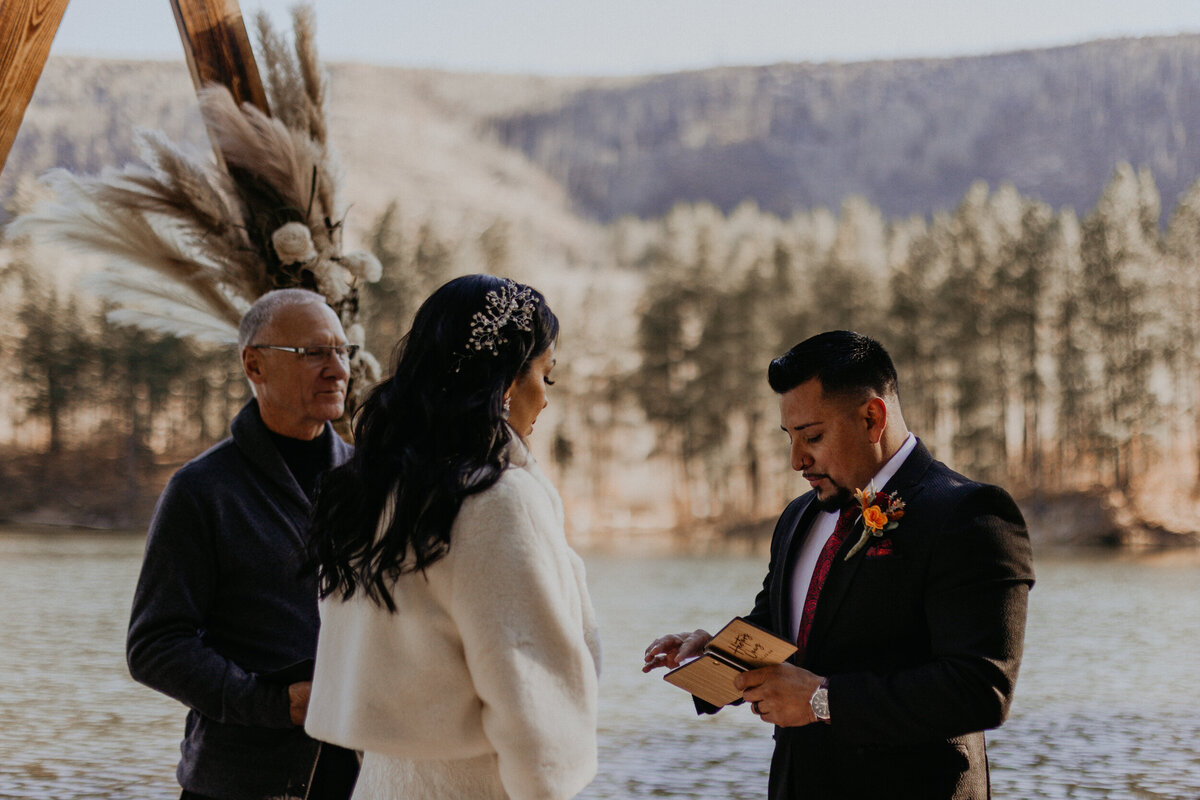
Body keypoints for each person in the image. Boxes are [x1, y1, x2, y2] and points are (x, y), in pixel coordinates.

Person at [644, 330, 1034, 800]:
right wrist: (714, 656)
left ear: (872, 417)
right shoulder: (798, 517)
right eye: (790, 437)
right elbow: (782, 632)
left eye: (812, 436)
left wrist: (820, 700)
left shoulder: (970, 514)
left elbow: (980, 689)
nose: (796, 460)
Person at [304, 274, 600, 800]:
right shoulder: (495, 502)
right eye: (545, 377)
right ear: (506, 383)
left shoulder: (366, 492)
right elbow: (532, 701)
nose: (545, 400)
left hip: (382, 784)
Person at [127, 288, 360, 800]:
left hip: (364, 777)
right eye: (314, 353)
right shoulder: (202, 490)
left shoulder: (371, 482)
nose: (338, 369)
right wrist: (276, 704)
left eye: (343, 351)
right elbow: (155, 646)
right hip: (239, 781)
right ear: (254, 365)